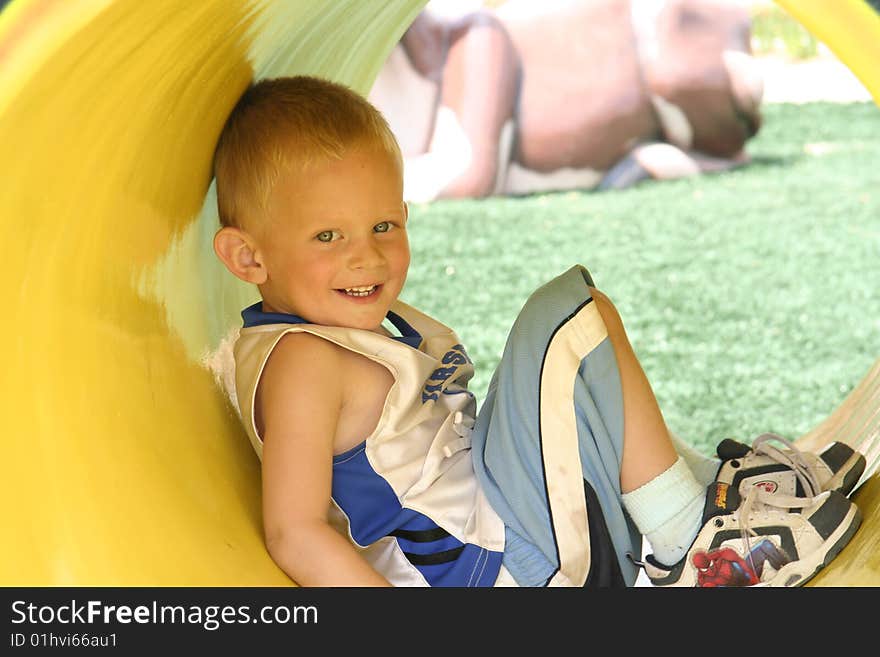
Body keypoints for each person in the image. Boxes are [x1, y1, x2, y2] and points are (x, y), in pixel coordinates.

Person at [211, 74, 864, 587]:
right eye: (328, 236)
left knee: (578, 367)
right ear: (248, 258)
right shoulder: (300, 362)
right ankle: (691, 547)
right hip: (487, 571)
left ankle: (715, 497)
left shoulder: (340, 328)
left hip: (509, 526)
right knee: (570, 316)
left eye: (385, 225)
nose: (367, 255)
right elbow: (294, 532)